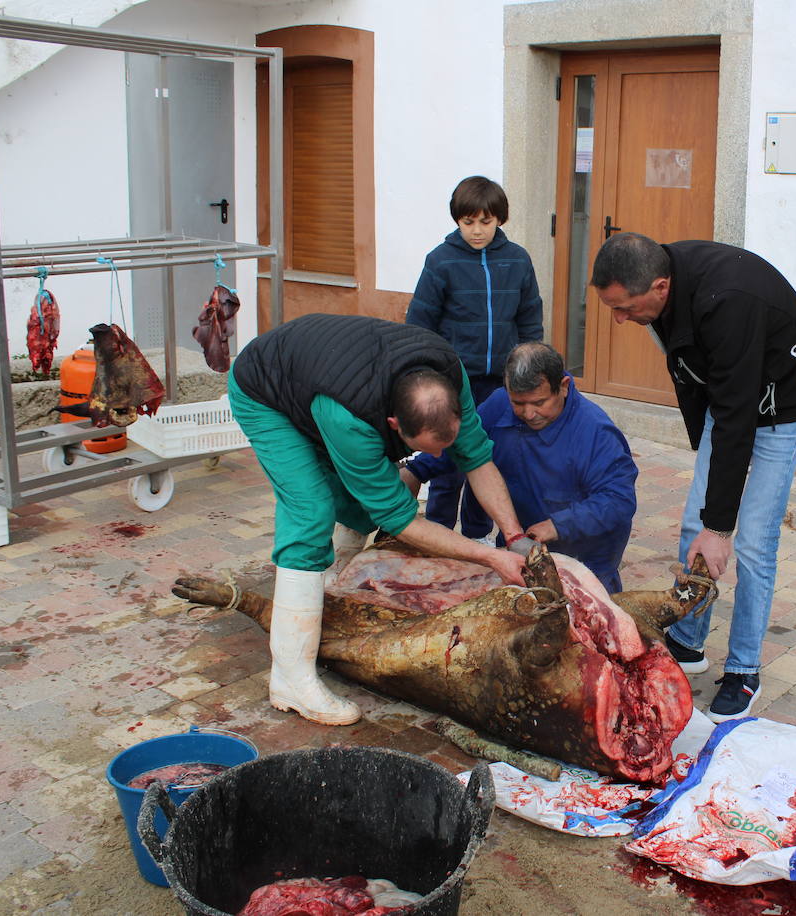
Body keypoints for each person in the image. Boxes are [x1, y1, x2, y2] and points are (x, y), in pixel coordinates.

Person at [229, 313, 529, 727]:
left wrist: (513, 538)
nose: (439, 460)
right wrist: (489, 557)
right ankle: (291, 679)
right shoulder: (351, 419)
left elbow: (477, 458)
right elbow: (402, 520)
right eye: (427, 450)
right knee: (311, 509)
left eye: (445, 445)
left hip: (322, 374)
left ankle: (334, 583)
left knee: (360, 499)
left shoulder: (448, 377)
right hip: (266, 390)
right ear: (393, 425)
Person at [591, 233, 796, 722]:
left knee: (754, 541)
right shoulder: (664, 284)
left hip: (784, 404)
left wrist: (721, 528)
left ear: (659, 287)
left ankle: (744, 670)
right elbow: (699, 387)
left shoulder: (728, 303)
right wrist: (707, 499)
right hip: (734, 394)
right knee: (691, 529)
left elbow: (739, 421)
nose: (618, 319)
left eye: (624, 307)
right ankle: (689, 641)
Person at [404, 342, 638, 593]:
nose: (528, 413)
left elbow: (618, 500)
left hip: (586, 555)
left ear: (563, 387)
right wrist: (418, 470)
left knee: (592, 618)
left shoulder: (596, 432)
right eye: (518, 402)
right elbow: (463, 445)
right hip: (520, 543)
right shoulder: (499, 404)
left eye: (539, 402)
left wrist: (558, 525)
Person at [405, 176, 544, 537]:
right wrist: (428, 375)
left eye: (486, 221)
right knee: (447, 459)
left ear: (500, 219)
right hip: (453, 381)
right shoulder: (441, 261)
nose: (477, 230)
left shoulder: (517, 260)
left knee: (487, 458)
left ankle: (478, 534)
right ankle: (438, 530)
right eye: (468, 222)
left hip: (500, 383)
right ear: (457, 220)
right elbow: (420, 324)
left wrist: (527, 370)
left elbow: (529, 318)